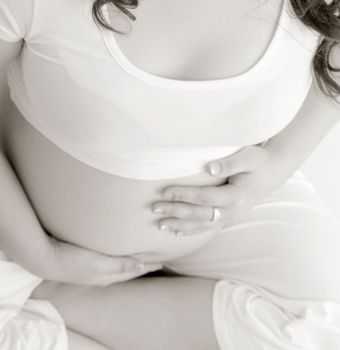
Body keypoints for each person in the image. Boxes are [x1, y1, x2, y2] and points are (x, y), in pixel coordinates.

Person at [1, 0, 340, 349]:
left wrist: (279, 161)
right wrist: (40, 255)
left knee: (323, 331)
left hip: (227, 217)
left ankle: (66, 301)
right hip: (18, 219)